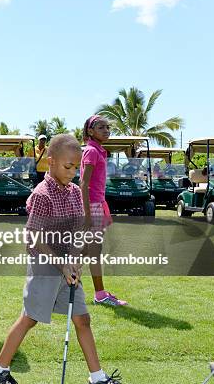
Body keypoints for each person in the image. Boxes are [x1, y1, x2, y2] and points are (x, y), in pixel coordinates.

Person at [0, 134, 121, 384]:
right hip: (46, 264)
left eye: (76, 167)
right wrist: (62, 263)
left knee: (82, 319)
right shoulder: (42, 194)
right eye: (67, 166)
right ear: (51, 161)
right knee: (29, 318)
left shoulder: (76, 191)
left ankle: (97, 377)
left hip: (68, 265)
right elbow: (34, 236)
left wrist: (76, 259)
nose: (72, 172)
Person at [80, 115, 126, 306]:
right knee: (93, 251)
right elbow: (83, 184)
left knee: (85, 251)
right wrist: (87, 216)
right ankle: (100, 294)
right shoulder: (91, 151)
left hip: (98, 204)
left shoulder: (98, 151)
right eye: (101, 127)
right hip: (92, 206)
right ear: (91, 131)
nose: (106, 130)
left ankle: (58, 280)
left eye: (108, 127)